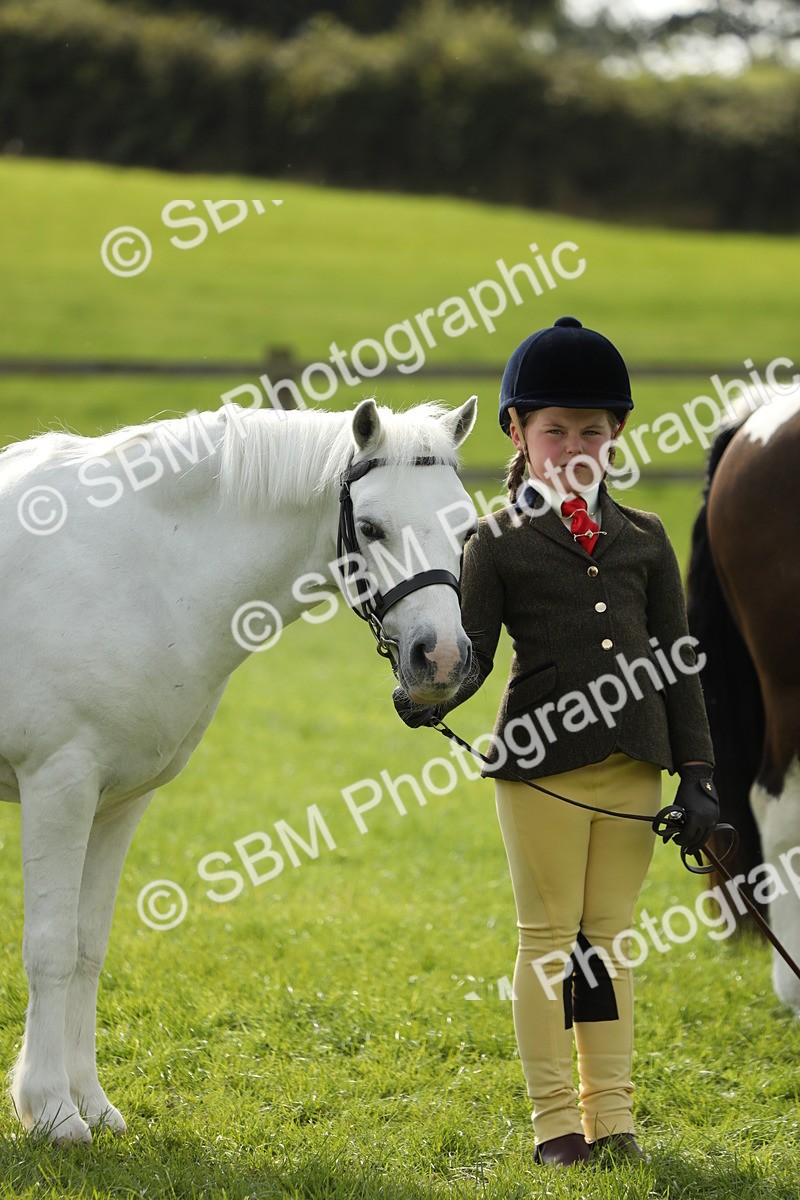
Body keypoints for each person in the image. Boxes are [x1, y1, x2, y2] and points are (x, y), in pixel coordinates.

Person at [394, 316, 719, 1168]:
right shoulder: (492, 542)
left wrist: (699, 774)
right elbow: (472, 651)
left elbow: (679, 664)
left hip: (637, 767)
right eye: (555, 430)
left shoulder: (647, 538)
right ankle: (555, 1128)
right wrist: (431, 693)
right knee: (547, 941)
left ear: (617, 434)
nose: (574, 445)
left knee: (608, 942)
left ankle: (613, 1119)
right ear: (517, 433)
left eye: (592, 430)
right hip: (539, 767)